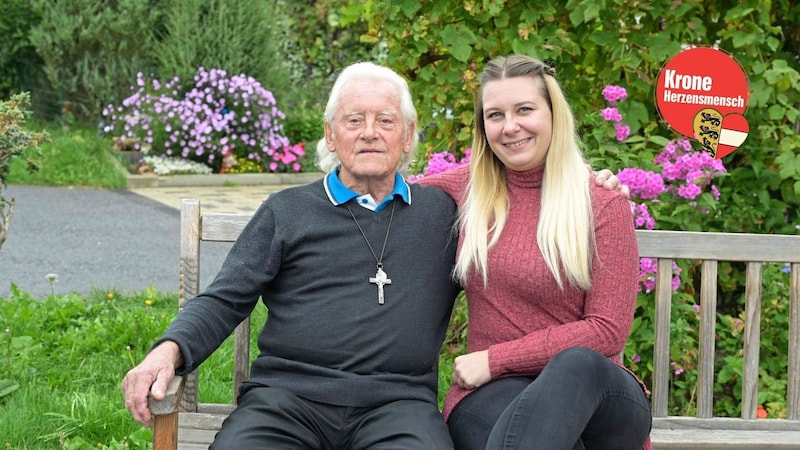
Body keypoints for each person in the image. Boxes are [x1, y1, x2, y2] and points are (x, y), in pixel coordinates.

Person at [121, 60, 627, 449]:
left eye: (386, 121)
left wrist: (590, 182)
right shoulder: (287, 210)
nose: (369, 133)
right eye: (354, 120)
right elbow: (225, 299)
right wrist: (168, 351)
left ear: (407, 138)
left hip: (398, 405)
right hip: (285, 400)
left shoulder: (444, 210)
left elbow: (526, 191)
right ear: (330, 134)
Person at [418, 54, 652, 450]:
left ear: (553, 114)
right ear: (483, 127)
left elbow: (607, 331)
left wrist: (495, 359)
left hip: (597, 397)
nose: (510, 127)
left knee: (574, 362)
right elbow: (387, 191)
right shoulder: (469, 189)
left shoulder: (600, 202)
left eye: (524, 109)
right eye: (495, 115)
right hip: (494, 394)